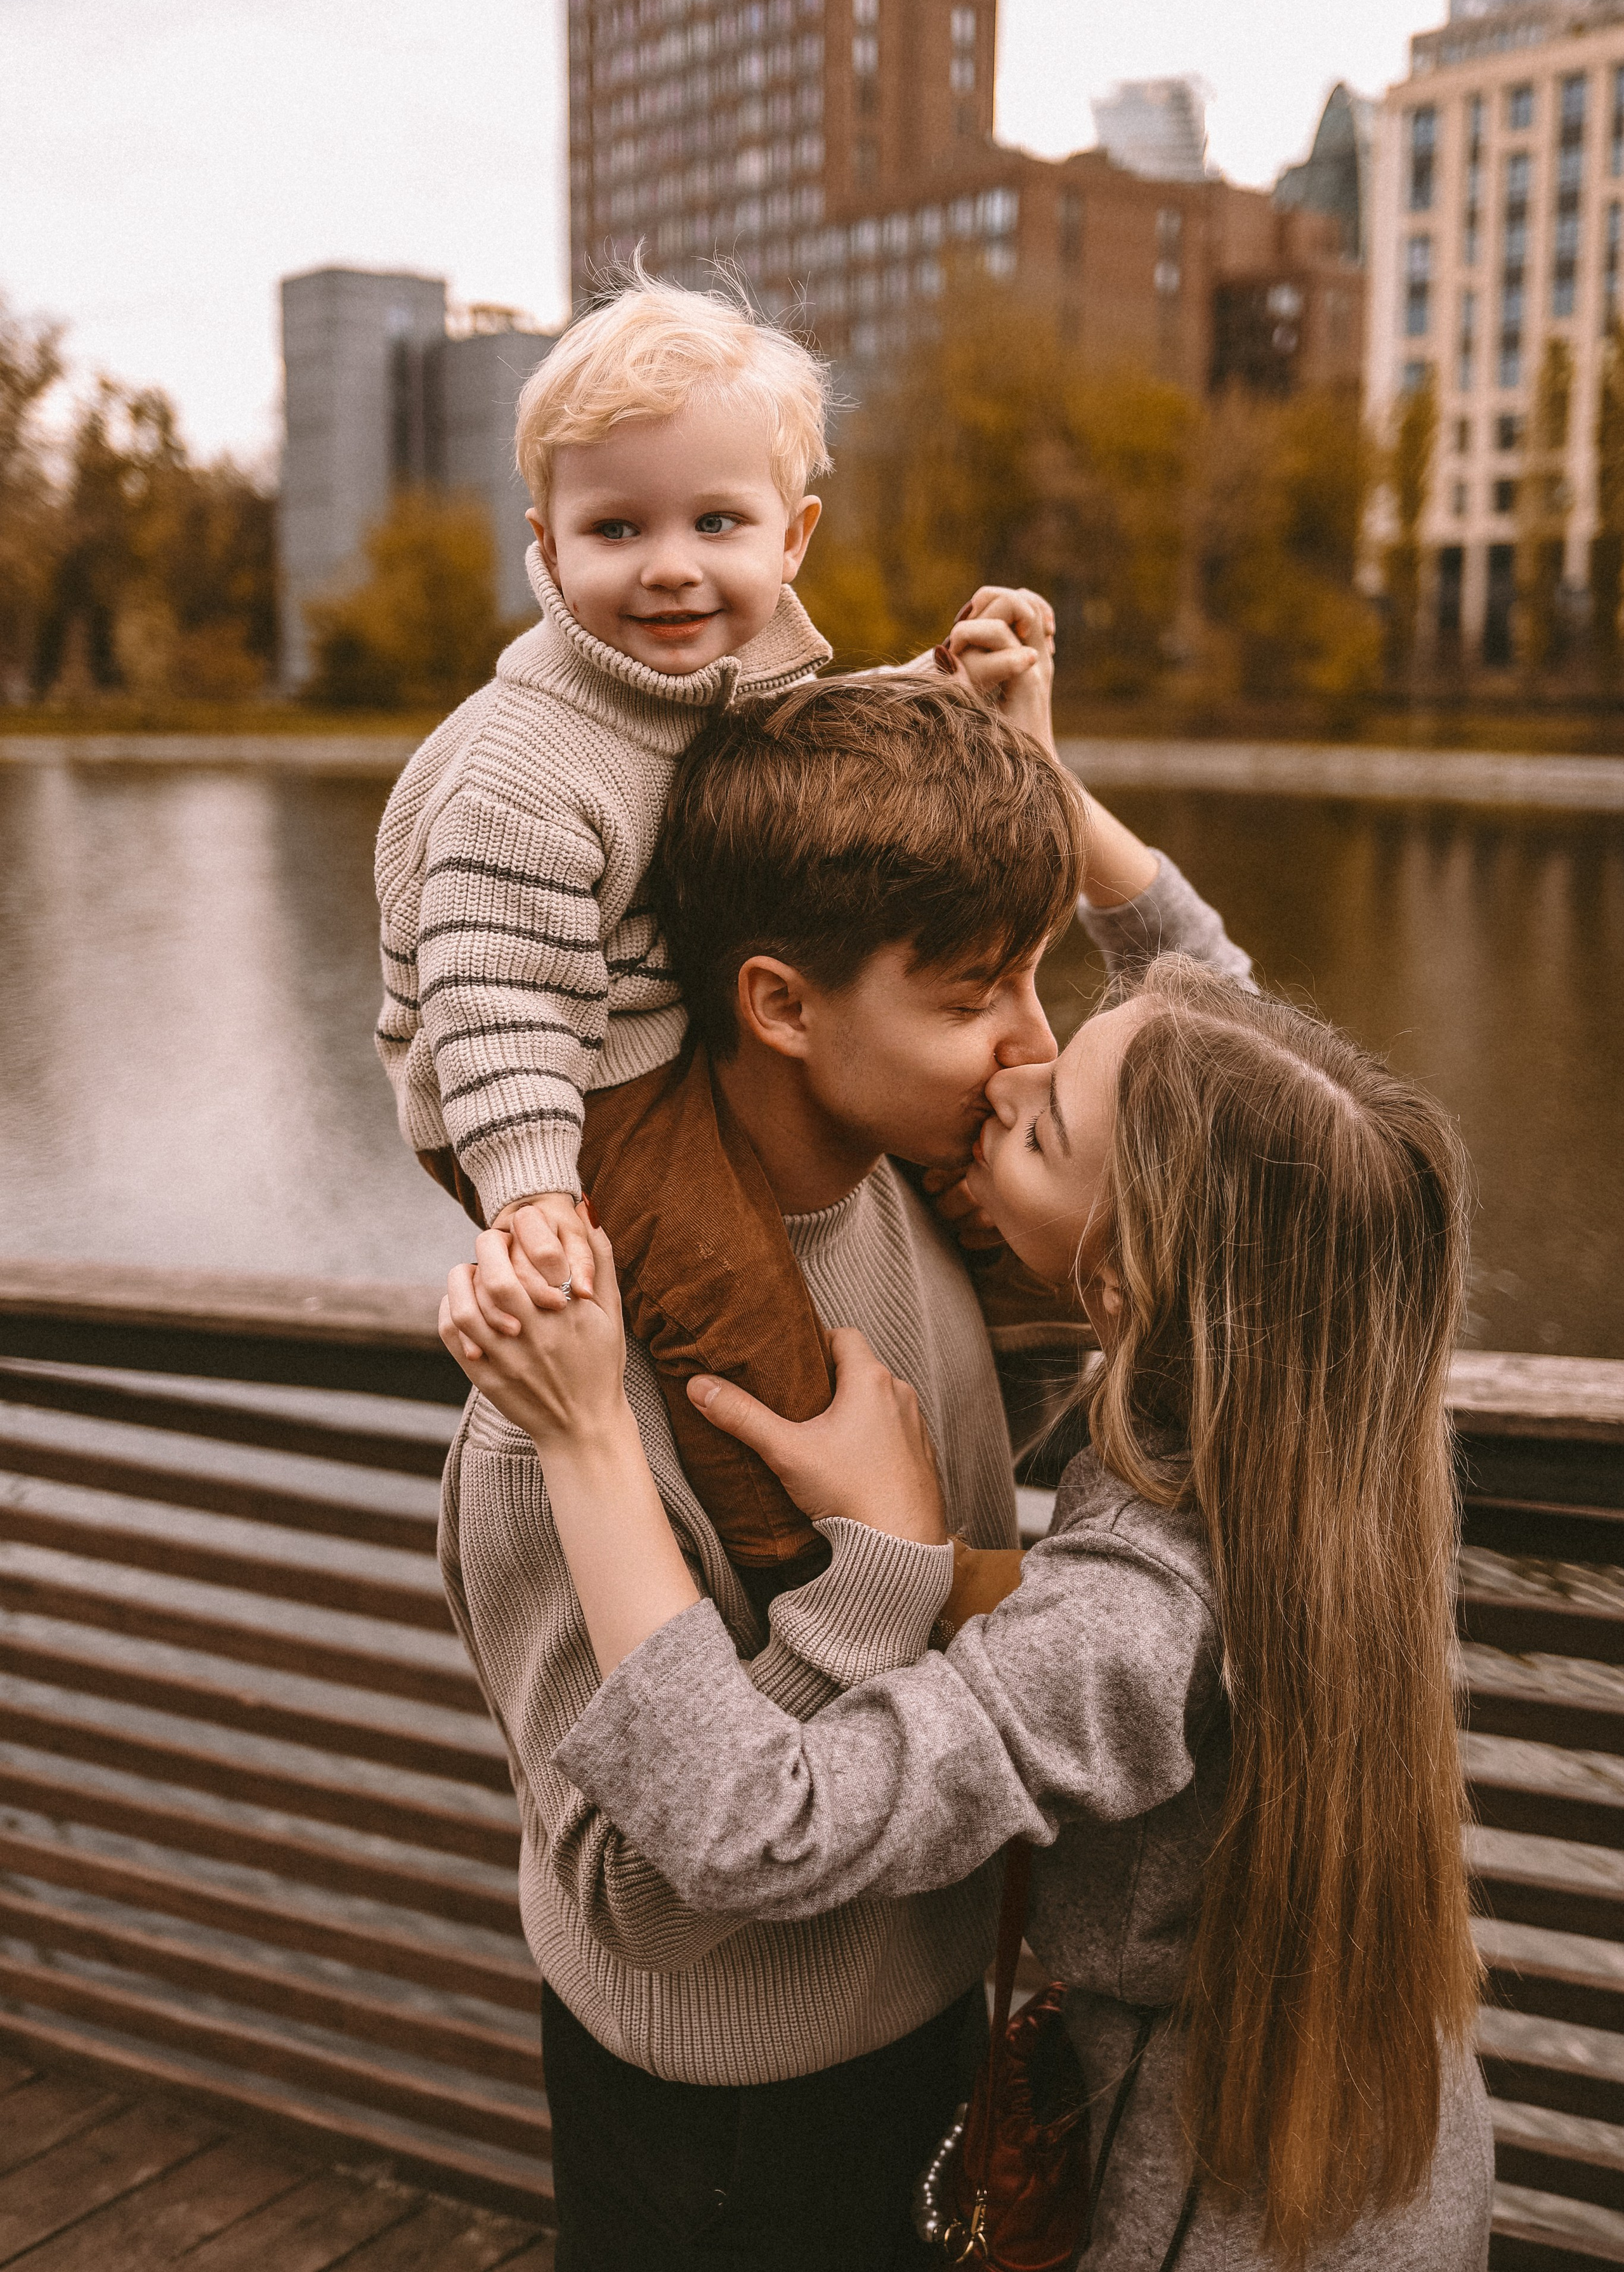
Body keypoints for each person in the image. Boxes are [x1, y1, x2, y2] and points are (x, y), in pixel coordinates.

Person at [444, 958, 1493, 2269]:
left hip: (1222, 2203)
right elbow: (1269, 1071)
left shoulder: (1135, 1618)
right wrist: (1040, 770)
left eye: (1048, 1123)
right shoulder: (1320, 1391)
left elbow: (744, 1826)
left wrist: (587, 1432)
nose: (1011, 1077)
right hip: (1386, 2130)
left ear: (1116, 1284)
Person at [435, 678, 1257, 2269]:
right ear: (781, 1004)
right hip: (724, 2119)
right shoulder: (568, 1400)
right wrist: (873, 1575)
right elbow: (644, 1903)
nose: (1032, 1043)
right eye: (970, 995)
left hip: (932, 2011)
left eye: (1033, 974)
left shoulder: (916, 1210)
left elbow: (1227, 1062)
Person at [374, 265, 1056, 1582]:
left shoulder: (707, 672)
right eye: (617, 530)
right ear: (546, 545)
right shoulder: (522, 772)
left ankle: (1052, 1358)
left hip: (644, 1008)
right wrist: (532, 1196)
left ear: (789, 539)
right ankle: (811, 1554)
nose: (671, 568)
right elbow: (497, 1002)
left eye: (716, 522)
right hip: (559, 1074)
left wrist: (941, 689)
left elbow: (800, 746)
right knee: (733, 1309)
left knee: (985, 1176)